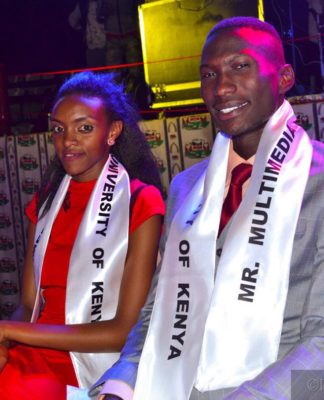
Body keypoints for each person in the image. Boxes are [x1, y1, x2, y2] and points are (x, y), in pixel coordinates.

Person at [92, 16, 324, 400]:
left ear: (284, 78)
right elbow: (157, 314)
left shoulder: (317, 182)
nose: (222, 87)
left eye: (240, 66)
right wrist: (119, 385)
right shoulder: (187, 188)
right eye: (208, 74)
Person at [0, 71, 165, 399]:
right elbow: (29, 304)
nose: (68, 141)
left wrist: (9, 331)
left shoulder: (140, 201)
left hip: (93, 362)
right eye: (59, 130)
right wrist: (7, 343)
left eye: (84, 128)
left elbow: (123, 331)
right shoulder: (46, 201)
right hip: (33, 351)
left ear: (113, 131)